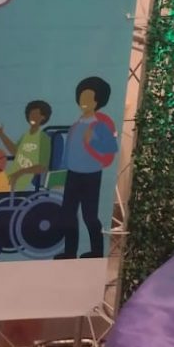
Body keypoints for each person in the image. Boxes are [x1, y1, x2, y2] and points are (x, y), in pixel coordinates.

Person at [59, 76, 118, 259]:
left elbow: (110, 152)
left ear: (98, 101)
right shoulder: (75, 125)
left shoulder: (99, 125)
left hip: (91, 176)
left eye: (89, 98)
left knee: (90, 216)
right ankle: (70, 252)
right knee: (68, 215)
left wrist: (92, 142)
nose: (84, 101)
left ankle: (96, 251)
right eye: (82, 97)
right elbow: (68, 153)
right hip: (72, 175)